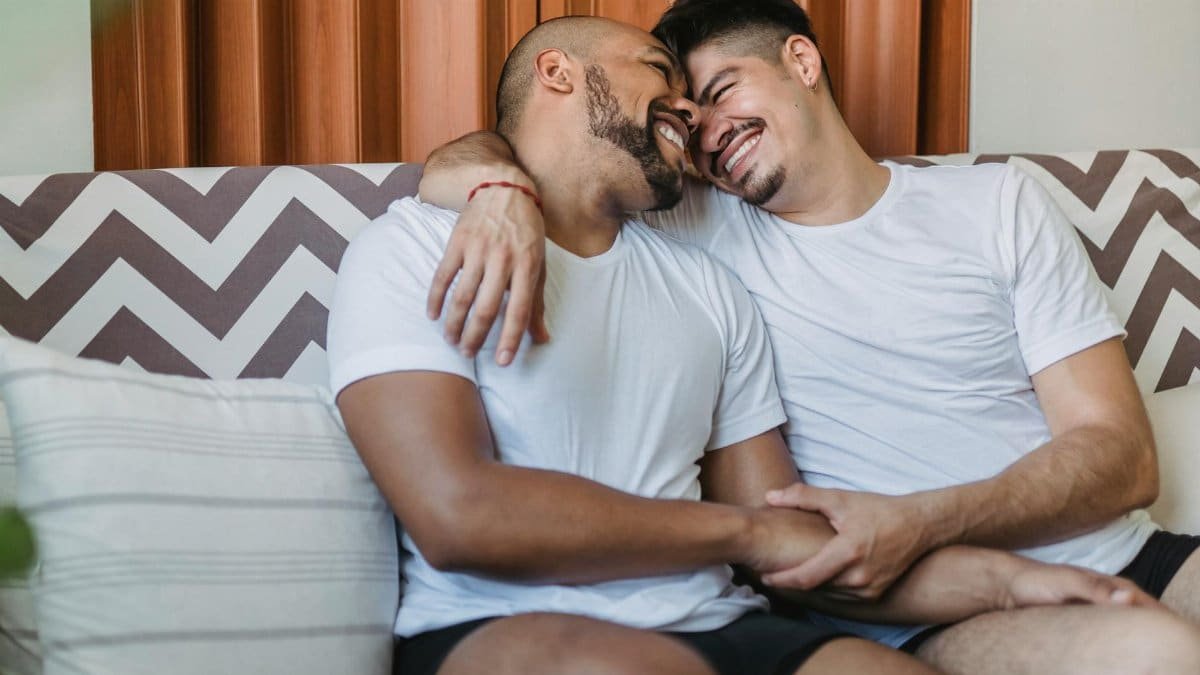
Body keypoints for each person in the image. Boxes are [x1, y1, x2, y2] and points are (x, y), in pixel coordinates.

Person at [328, 14, 1147, 675]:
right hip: (503, 622)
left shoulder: (707, 285)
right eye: (659, 72)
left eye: (702, 93)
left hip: (726, 623)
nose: (691, 114)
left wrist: (1012, 582)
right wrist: (496, 185)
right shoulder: (407, 251)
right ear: (558, 73)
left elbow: (782, 524)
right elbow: (457, 516)